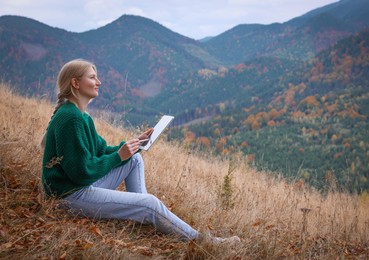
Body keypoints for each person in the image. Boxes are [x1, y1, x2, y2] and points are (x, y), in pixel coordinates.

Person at [40, 59, 240, 244]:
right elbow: (81, 172)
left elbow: (101, 150)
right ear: (75, 83)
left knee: (134, 160)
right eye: (92, 77)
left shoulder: (81, 116)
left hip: (78, 187)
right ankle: (203, 241)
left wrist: (134, 144)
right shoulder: (71, 118)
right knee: (150, 203)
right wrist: (119, 155)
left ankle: (143, 210)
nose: (98, 82)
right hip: (69, 196)